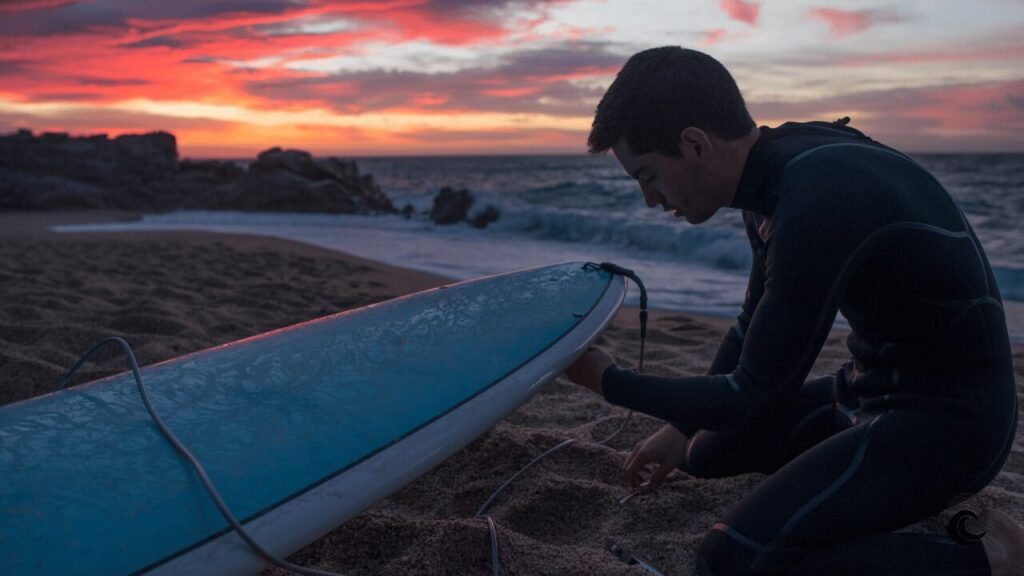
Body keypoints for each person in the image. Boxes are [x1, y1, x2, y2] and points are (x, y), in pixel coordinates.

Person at [565, 46, 1023, 575]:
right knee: (705, 453)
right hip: (865, 392)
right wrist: (680, 426)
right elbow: (749, 326)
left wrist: (606, 380)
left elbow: (750, 395)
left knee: (732, 560)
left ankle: (995, 557)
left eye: (647, 176)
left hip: (950, 425)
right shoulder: (773, 172)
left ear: (695, 144)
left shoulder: (815, 198)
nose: (650, 199)